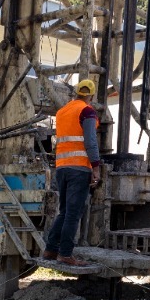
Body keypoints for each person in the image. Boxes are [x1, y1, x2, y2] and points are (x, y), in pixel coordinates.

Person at [42, 79, 102, 266]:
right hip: (79, 169)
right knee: (73, 213)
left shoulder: (62, 112)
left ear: (76, 92)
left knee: (64, 211)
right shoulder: (87, 111)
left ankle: (50, 249)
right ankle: (65, 254)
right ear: (91, 95)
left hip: (61, 167)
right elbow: (90, 142)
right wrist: (96, 167)